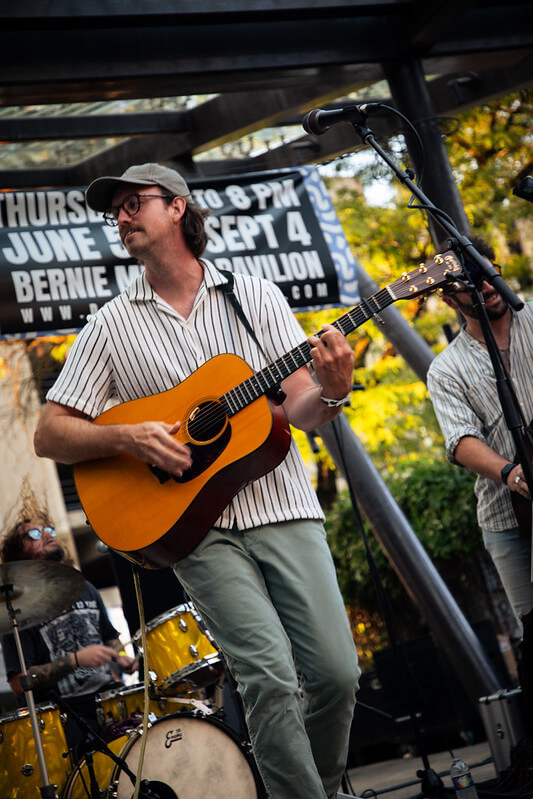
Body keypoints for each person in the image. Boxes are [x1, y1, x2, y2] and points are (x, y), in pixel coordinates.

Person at [32, 162, 360, 799]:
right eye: (115, 211)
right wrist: (124, 436)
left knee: (336, 676)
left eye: (134, 204)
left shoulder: (255, 295)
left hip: (282, 504)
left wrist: (335, 391)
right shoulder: (109, 325)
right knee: (267, 677)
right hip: (193, 530)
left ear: (177, 208)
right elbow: (49, 434)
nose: (122, 217)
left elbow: (299, 409)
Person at [426, 236, 533, 730]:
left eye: (486, 273)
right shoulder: (445, 368)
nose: (484, 286)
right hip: (507, 519)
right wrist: (513, 474)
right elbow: (460, 441)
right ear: (449, 298)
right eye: (466, 283)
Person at [1, 516, 137, 752]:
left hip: (109, 700)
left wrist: (118, 656)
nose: (46, 534)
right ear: (17, 556)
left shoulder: (85, 588)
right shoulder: (15, 609)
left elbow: (110, 637)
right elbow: (18, 684)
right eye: (33, 534)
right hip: (64, 717)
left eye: (47, 529)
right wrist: (75, 660)